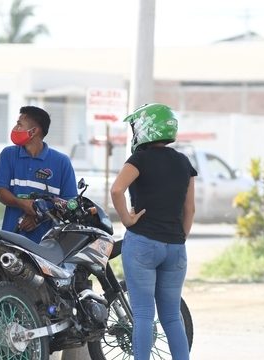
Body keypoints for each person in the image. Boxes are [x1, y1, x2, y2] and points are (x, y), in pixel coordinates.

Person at [110, 103, 196, 360]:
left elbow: (116, 190)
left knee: (144, 314)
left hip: (143, 243)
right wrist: (179, 238)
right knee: (171, 316)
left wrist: (126, 219)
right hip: (176, 247)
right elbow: (189, 209)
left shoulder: (139, 159)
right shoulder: (184, 162)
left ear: (145, 128)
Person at [0, 105, 78, 243]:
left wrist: (39, 218)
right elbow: (0, 192)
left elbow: (69, 204)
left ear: (34, 131)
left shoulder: (61, 162)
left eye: (19, 125)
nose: (15, 128)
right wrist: (21, 203)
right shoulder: (8, 155)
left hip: (48, 245)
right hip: (11, 241)